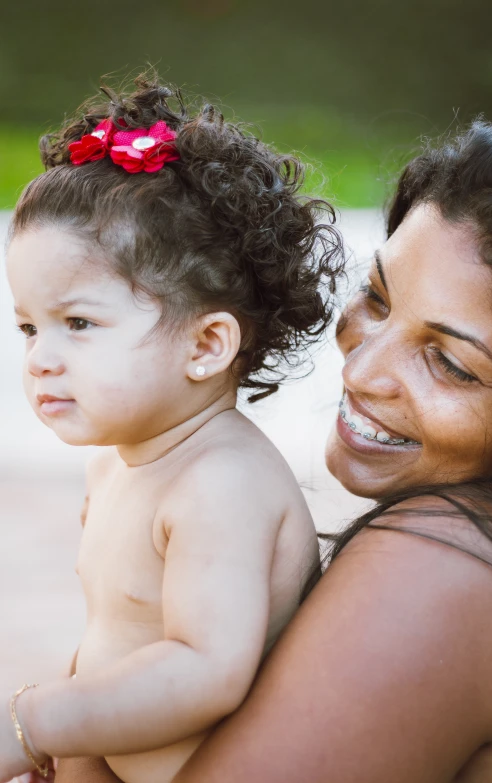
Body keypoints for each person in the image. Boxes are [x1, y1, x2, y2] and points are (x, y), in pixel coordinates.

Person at [55, 119, 492, 782]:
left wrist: (56, 722)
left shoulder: (446, 564)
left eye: (448, 362)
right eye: (378, 296)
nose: (361, 372)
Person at [0, 74, 345, 783]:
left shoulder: (220, 483)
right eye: (28, 326)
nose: (41, 358)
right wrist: (70, 753)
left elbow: (204, 669)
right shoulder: (120, 463)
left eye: (78, 323)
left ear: (206, 345)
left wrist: (35, 724)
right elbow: (115, 646)